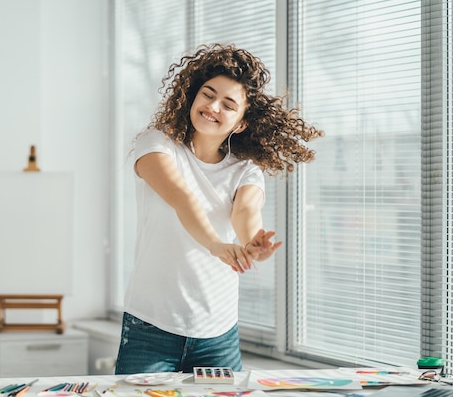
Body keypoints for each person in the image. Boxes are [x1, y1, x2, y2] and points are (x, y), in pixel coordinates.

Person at [114, 44, 324, 374]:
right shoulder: (157, 144)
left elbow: (245, 212)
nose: (213, 106)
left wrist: (252, 241)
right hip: (151, 327)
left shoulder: (245, 169)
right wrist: (216, 245)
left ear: (241, 123)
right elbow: (182, 198)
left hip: (218, 334)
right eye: (208, 94)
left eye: (228, 104)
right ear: (191, 96)